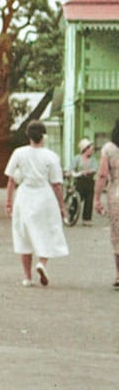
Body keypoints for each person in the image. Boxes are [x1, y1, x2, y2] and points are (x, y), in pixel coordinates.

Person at [5, 120, 68, 287]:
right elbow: (56, 183)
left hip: (24, 195)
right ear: (44, 136)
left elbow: (11, 179)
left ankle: (27, 276)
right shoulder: (51, 156)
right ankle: (42, 262)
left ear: (28, 136)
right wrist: (62, 205)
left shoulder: (19, 153)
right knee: (47, 230)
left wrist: (8, 202)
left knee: (23, 234)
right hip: (44, 195)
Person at [93, 119, 119, 289]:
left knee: (117, 235)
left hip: (116, 193)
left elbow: (102, 174)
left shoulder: (109, 148)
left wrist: (96, 198)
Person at [68, 138, 97, 226]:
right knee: (76, 200)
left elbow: (95, 168)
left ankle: (86, 219)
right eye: (90, 149)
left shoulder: (93, 160)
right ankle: (71, 215)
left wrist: (89, 171)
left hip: (89, 181)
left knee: (89, 200)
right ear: (85, 149)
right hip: (80, 181)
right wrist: (73, 173)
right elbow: (71, 169)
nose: (92, 151)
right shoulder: (77, 158)